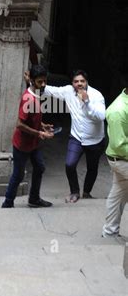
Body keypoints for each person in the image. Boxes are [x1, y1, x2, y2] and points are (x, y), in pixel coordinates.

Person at [42, 70, 106, 203]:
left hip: (95, 140)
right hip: (76, 137)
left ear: (86, 82)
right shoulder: (68, 91)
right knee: (70, 165)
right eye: (76, 81)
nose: (79, 84)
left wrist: (87, 102)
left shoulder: (96, 95)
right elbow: (50, 90)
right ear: (72, 83)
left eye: (82, 81)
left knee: (92, 168)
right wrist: (32, 81)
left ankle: (87, 192)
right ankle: (74, 192)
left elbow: (101, 116)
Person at [2, 64, 54, 209]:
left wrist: (42, 125)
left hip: (33, 144)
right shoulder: (28, 99)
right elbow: (19, 124)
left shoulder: (35, 92)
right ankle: (8, 202)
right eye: (39, 82)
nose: (43, 85)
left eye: (45, 81)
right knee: (18, 174)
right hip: (22, 145)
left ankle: (34, 198)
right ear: (32, 81)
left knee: (39, 167)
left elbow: (33, 117)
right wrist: (39, 133)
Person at [102, 85, 128, 240]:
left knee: (118, 193)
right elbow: (119, 145)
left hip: (119, 159)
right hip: (122, 159)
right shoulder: (118, 110)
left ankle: (110, 231)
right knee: (118, 192)